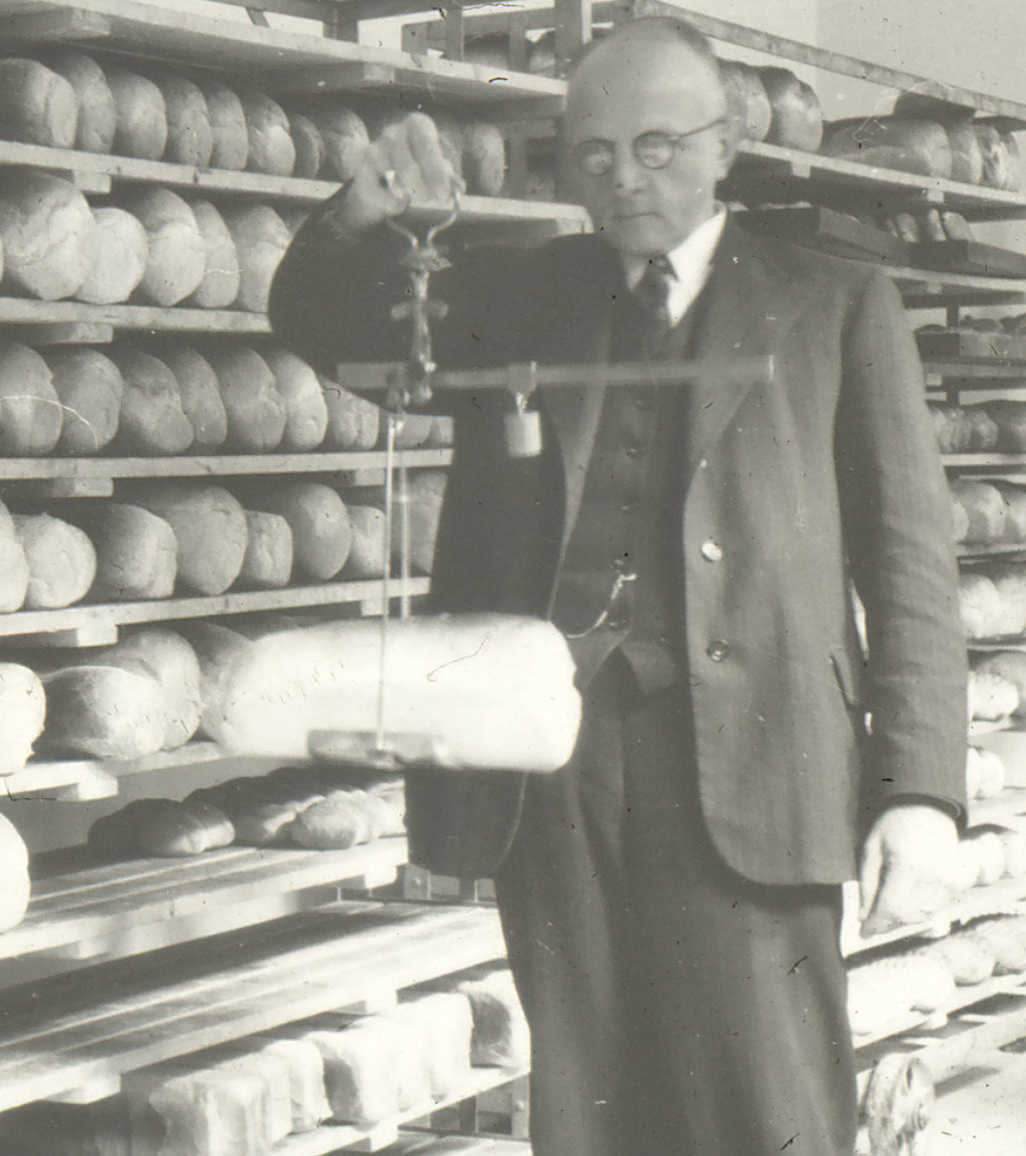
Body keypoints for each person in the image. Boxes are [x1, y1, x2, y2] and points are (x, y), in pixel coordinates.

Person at [269, 17, 966, 1156]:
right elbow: (321, 320)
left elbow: (909, 561)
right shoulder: (520, 292)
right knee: (591, 1112)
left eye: (656, 144)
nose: (623, 177)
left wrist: (919, 792)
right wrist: (362, 210)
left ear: (724, 143)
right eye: (593, 154)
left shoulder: (835, 301)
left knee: (769, 1113)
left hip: (760, 769)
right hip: (556, 778)